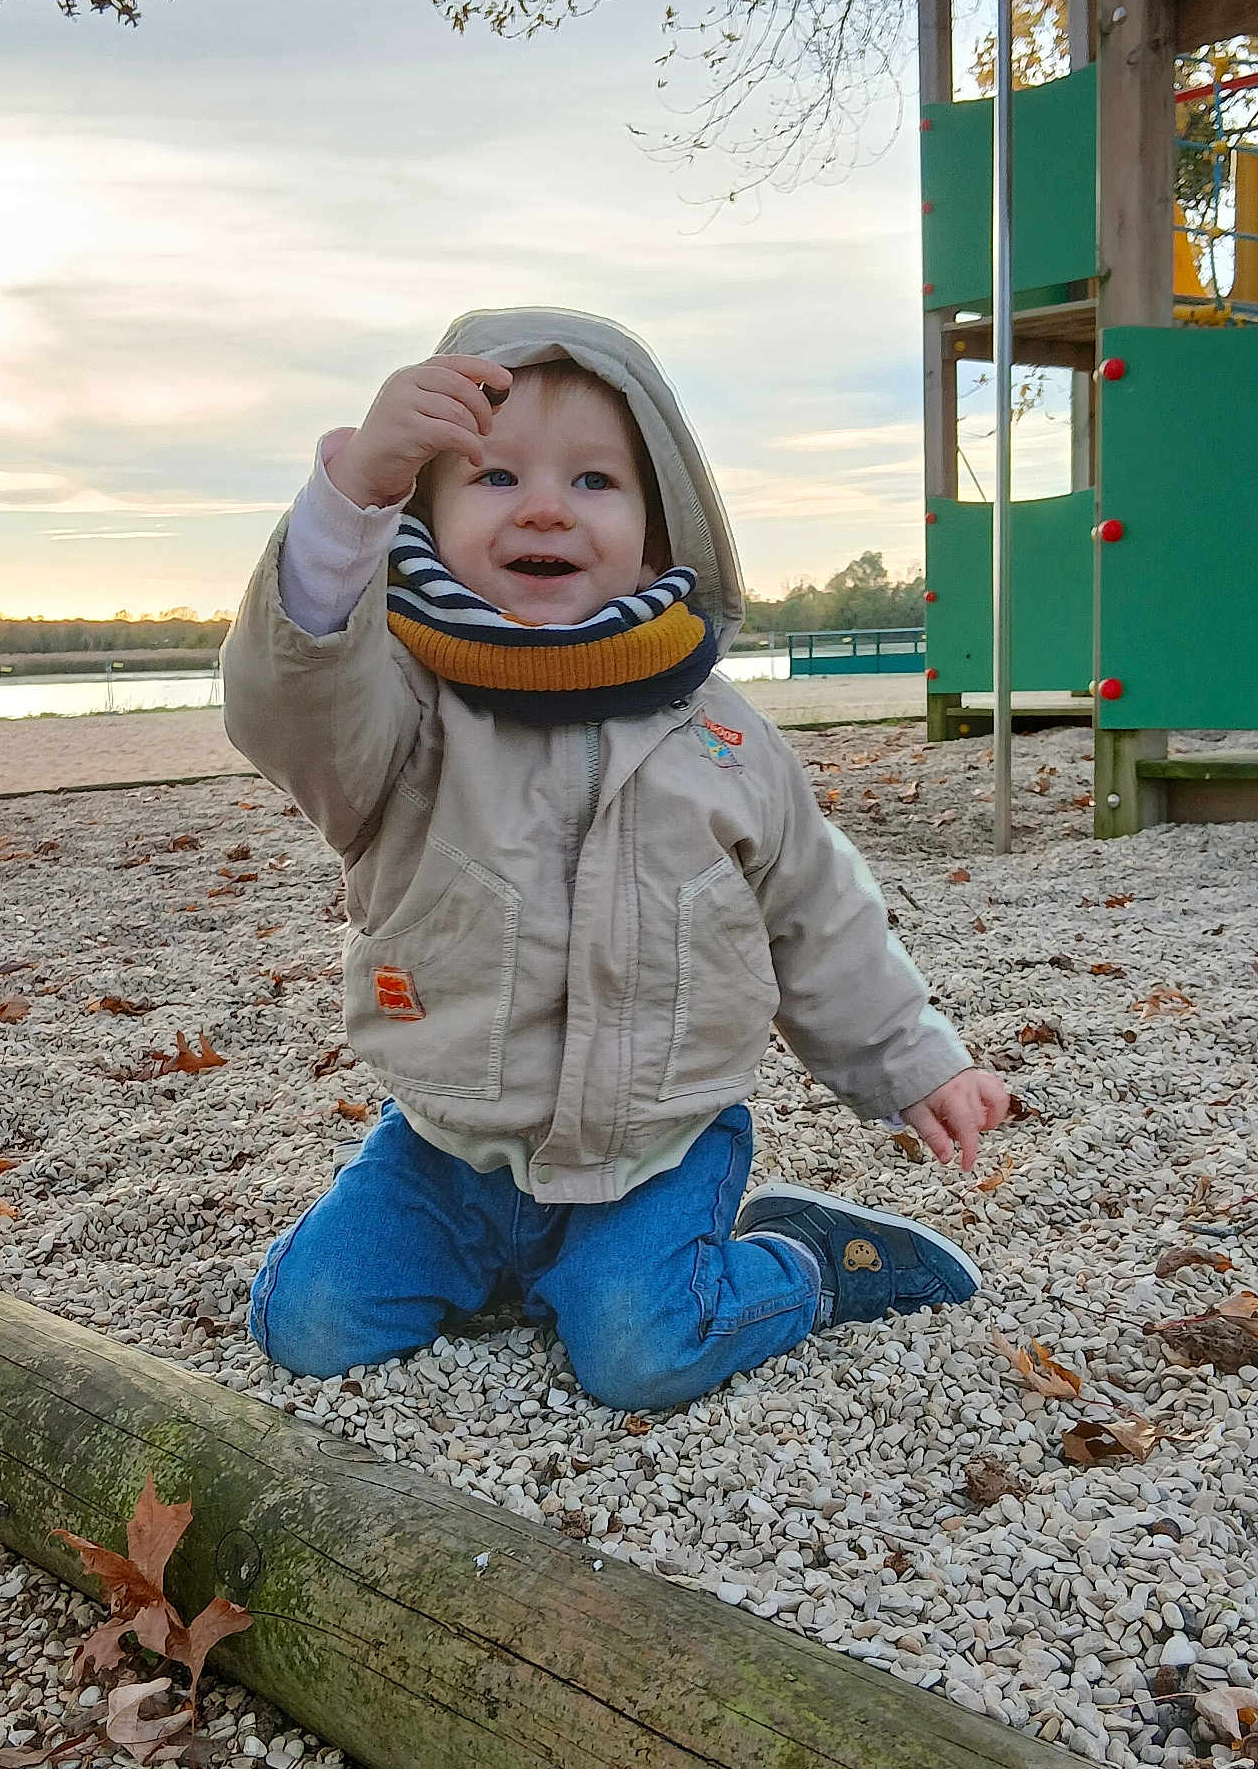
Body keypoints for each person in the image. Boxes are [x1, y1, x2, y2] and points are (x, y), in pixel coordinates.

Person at [222, 306, 1009, 1412]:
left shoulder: (723, 736)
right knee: (311, 1324)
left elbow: (817, 912)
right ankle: (518, 1263)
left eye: (594, 480)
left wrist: (913, 1062)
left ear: (657, 531)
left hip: (659, 1144)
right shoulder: (397, 717)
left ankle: (808, 1262)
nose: (545, 505)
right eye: (495, 477)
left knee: (639, 1352)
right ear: (427, 520)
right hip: (450, 1144)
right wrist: (354, 494)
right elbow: (287, 698)